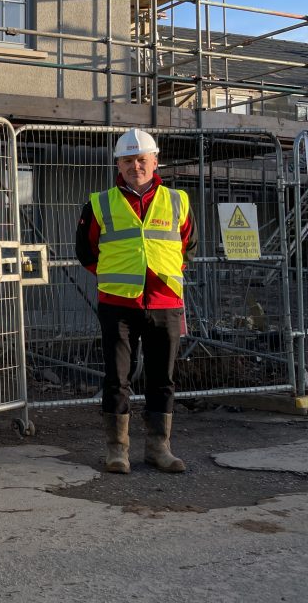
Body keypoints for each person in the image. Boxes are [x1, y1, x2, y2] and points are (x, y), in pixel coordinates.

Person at [75, 128, 197, 475]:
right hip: (118, 306)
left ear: (155, 161)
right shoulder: (99, 203)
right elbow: (85, 251)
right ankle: (118, 451)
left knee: (163, 379)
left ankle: (160, 449)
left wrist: (162, 274)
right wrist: (118, 277)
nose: (135, 166)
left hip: (165, 302)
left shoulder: (178, 200)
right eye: (128, 160)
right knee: (117, 378)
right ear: (118, 164)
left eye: (141, 159)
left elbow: (188, 245)